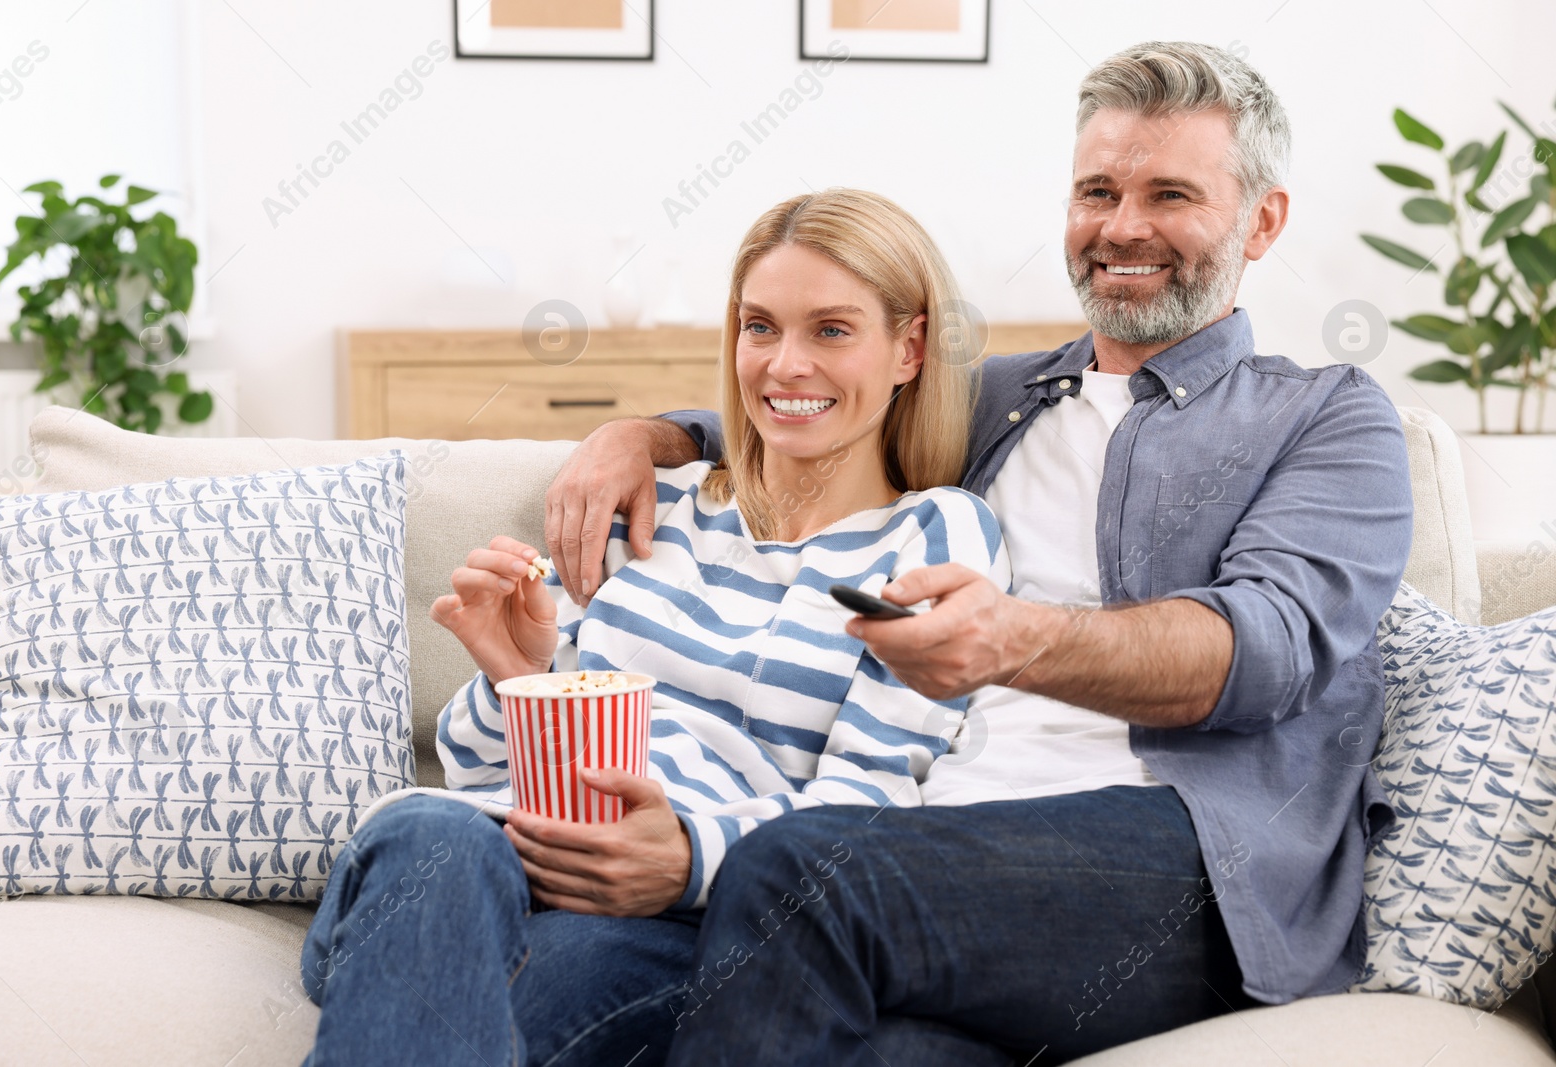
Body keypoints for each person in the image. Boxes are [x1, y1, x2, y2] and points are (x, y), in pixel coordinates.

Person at [544, 42, 1414, 1065]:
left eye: (1170, 193)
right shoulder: (1001, 395)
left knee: (790, 871)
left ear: (1260, 220)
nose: (1123, 226)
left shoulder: (1327, 418)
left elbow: (1260, 650)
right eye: (1098, 191)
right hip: (939, 855)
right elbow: (811, 398)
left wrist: (1012, 641)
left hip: (1182, 865)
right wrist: (642, 436)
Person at [296, 189, 1014, 1066]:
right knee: (431, 832)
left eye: (831, 330)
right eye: (760, 327)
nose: (785, 365)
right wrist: (514, 682)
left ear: (909, 348)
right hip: (469, 864)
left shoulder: (934, 537)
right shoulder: (653, 507)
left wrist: (685, 857)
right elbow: (485, 774)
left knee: (524, 986)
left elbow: (869, 809)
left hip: (667, 921)